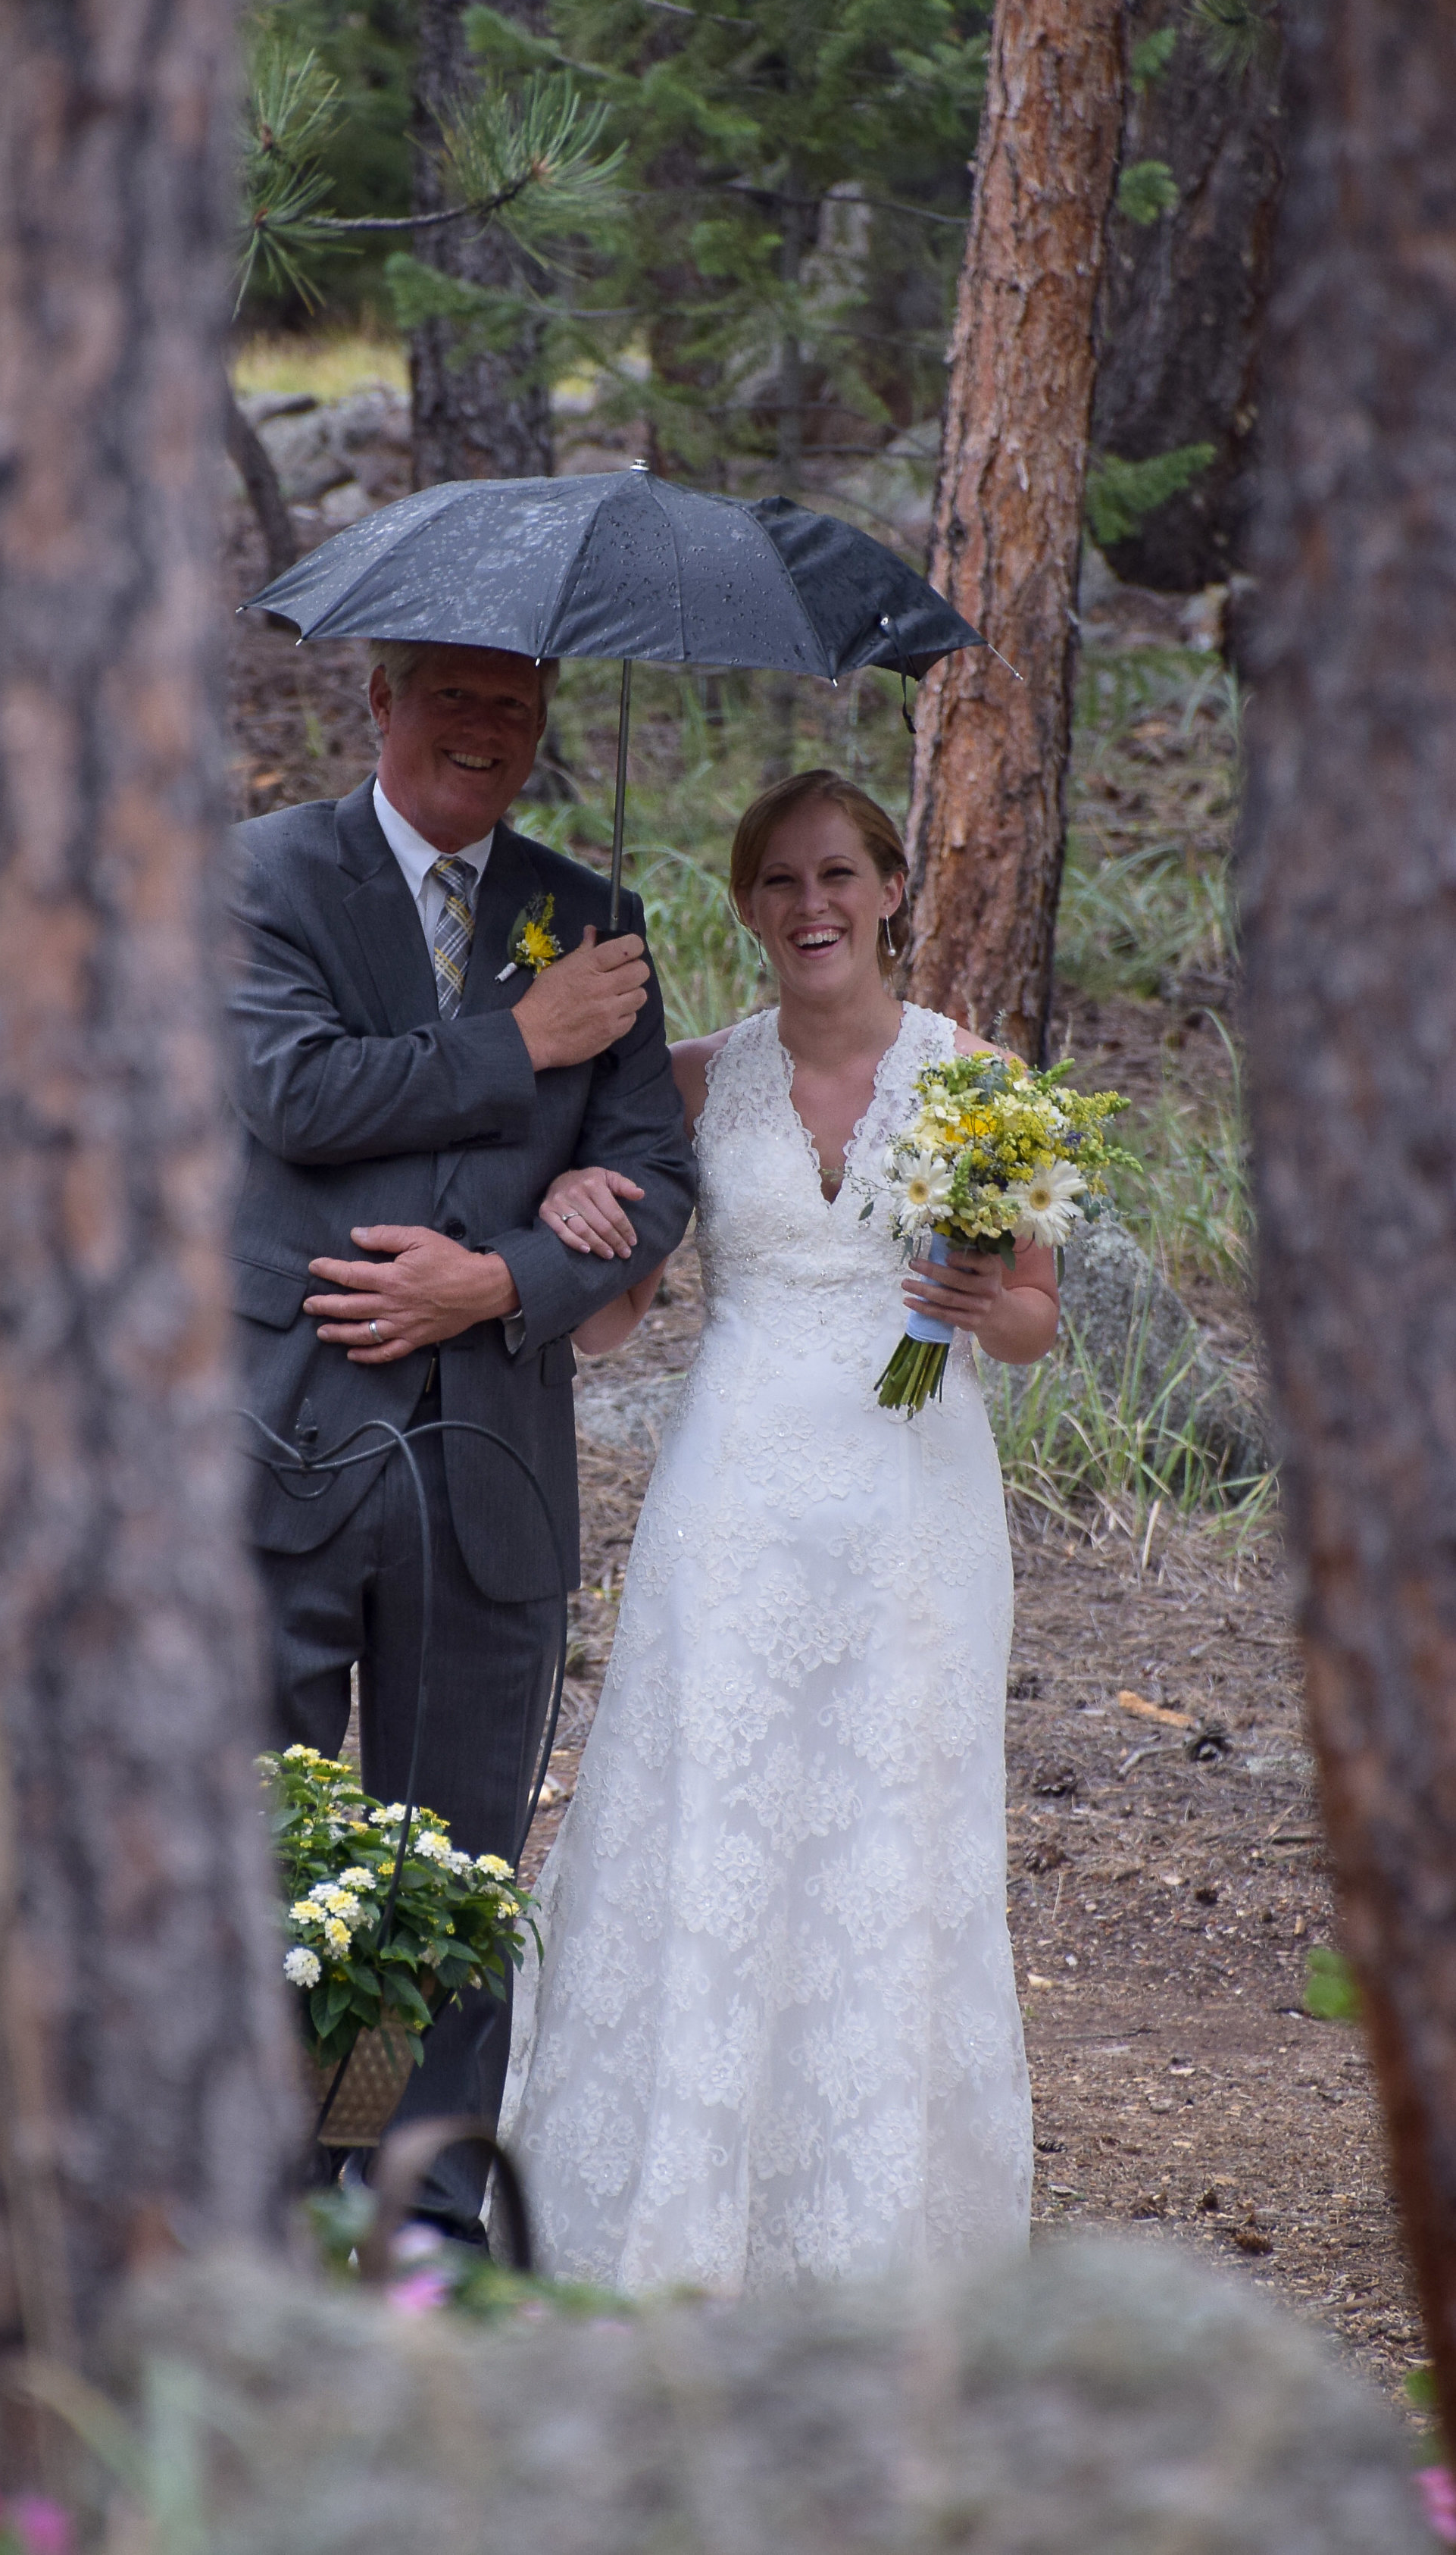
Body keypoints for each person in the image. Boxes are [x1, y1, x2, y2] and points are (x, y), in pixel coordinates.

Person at [502, 767, 1053, 2294]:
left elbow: (1028, 1325)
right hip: (731, 1500)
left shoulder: (980, 1081)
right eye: (778, 882)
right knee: (711, 1809)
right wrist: (575, 1214)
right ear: (743, 907)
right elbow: (610, 1328)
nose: (811, 906)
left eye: (838, 876)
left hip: (910, 1507)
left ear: (888, 888)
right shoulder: (684, 1080)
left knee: (891, 1830)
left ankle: (875, 2245)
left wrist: (975, 1298)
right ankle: (653, 2223)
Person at [229, 640, 697, 2244]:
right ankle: (257, 2197)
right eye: (451, 696)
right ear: (379, 701)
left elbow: (651, 1173)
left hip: (487, 1467)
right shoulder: (265, 875)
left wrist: (501, 1276)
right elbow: (290, 1091)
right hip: (278, 1455)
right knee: (267, 1847)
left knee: (449, 1867)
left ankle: (415, 2200)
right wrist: (524, 1040)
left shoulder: (595, 917)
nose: (483, 731)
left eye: (514, 706)